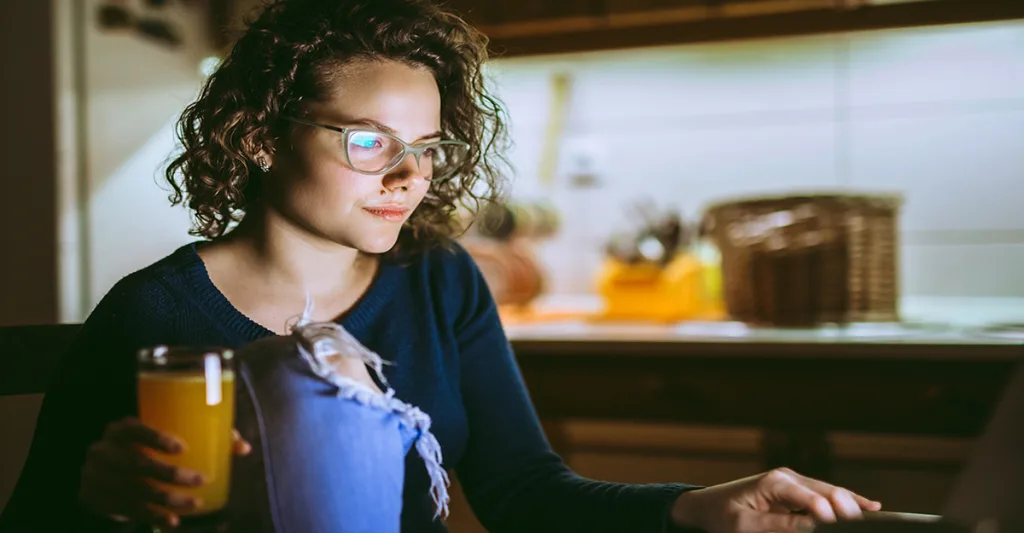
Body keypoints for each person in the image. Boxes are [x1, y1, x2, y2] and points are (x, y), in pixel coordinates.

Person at [0, 0, 882, 531]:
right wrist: (101, 504)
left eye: (424, 145)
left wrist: (698, 504)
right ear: (260, 135)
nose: (408, 174)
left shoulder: (439, 279)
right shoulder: (153, 315)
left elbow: (526, 492)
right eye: (368, 140)